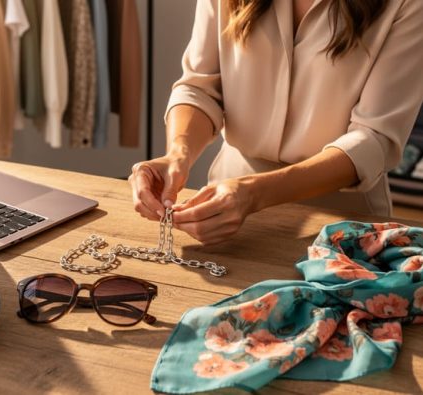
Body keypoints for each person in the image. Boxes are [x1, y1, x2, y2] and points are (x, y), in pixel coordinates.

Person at [129, 0, 423, 245]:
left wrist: (253, 194)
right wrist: (177, 155)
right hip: (223, 216)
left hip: (343, 229)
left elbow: (374, 139)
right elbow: (200, 88)